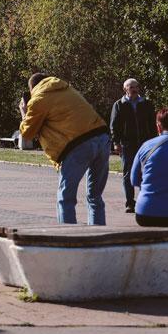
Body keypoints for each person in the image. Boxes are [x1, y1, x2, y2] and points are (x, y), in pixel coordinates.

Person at [19, 73, 111, 225]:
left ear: (32, 89)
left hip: (77, 146)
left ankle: (68, 237)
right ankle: (97, 236)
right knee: (94, 196)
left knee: (65, 198)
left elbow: (28, 133)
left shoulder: (38, 99)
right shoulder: (67, 89)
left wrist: (24, 111)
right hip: (102, 138)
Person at [109, 78, 157, 213]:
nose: (135, 89)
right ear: (125, 89)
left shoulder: (146, 104)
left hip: (145, 144)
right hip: (127, 144)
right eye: (131, 87)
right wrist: (116, 143)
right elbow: (114, 126)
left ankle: (145, 200)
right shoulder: (119, 105)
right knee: (128, 173)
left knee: (146, 172)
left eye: (136, 87)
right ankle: (130, 202)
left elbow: (152, 124)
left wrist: (154, 142)